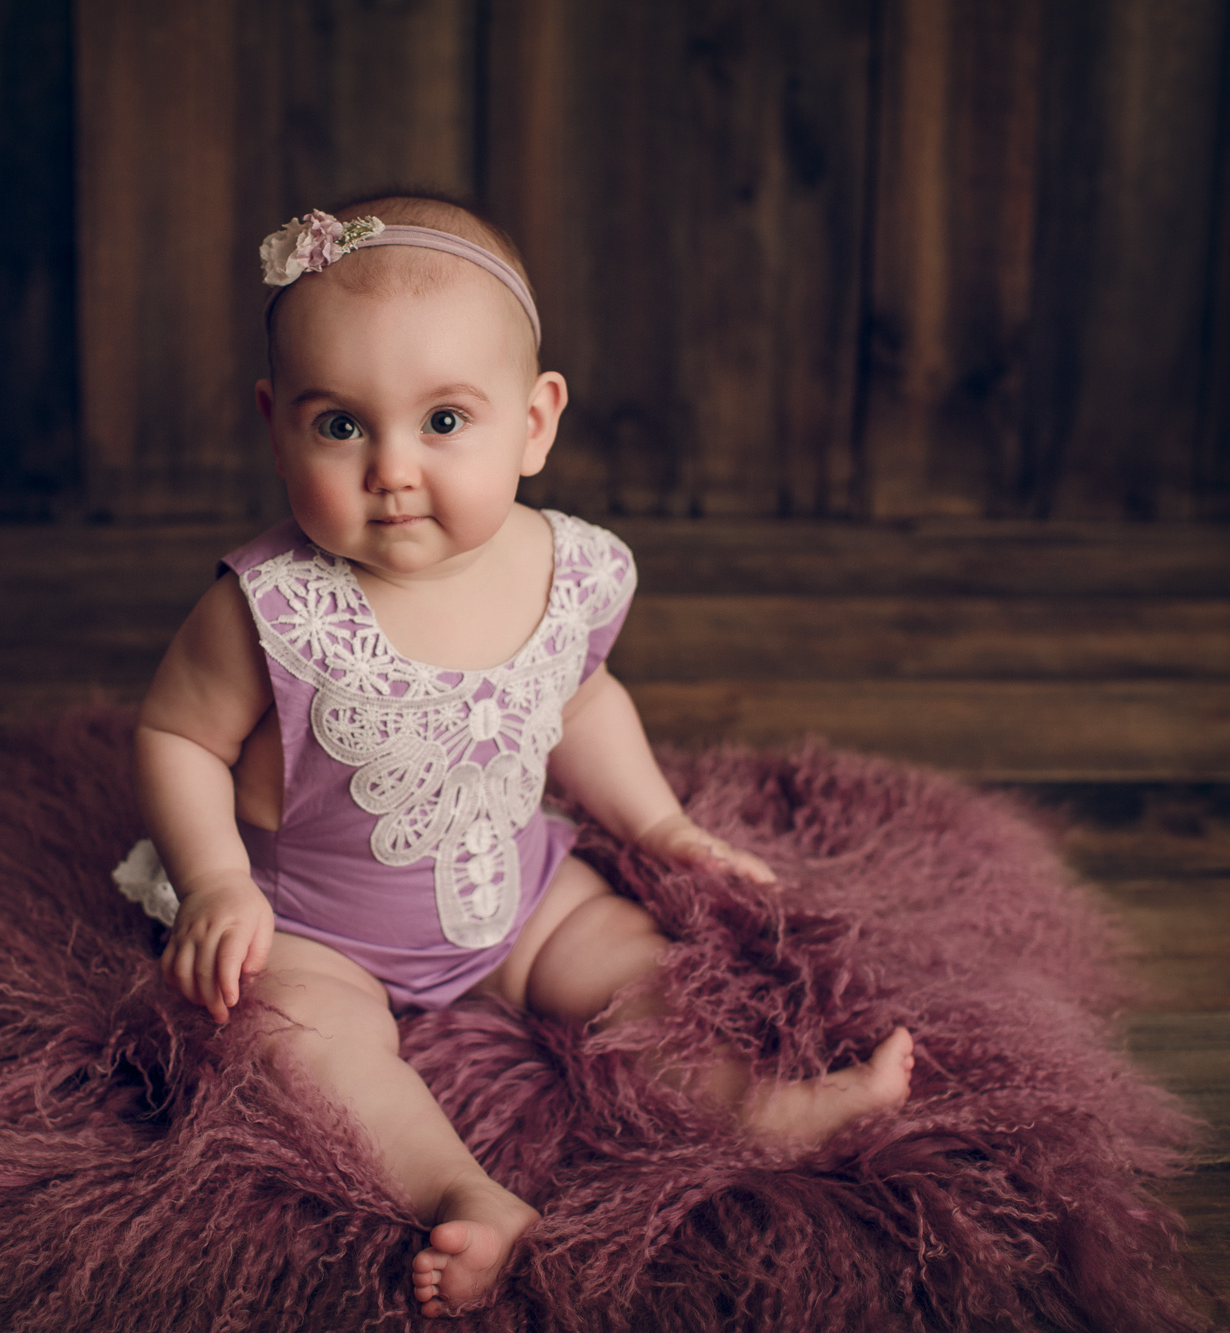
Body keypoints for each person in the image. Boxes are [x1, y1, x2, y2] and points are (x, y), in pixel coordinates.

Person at [126, 196, 914, 1318]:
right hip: (316, 923)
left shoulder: (570, 569)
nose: (391, 468)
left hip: (518, 887)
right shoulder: (267, 608)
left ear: (534, 422)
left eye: (443, 421)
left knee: (632, 965)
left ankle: (751, 1103)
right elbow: (175, 736)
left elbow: (580, 699)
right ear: (272, 423)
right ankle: (464, 1188)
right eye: (338, 425)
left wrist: (657, 825)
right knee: (298, 1046)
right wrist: (213, 882)